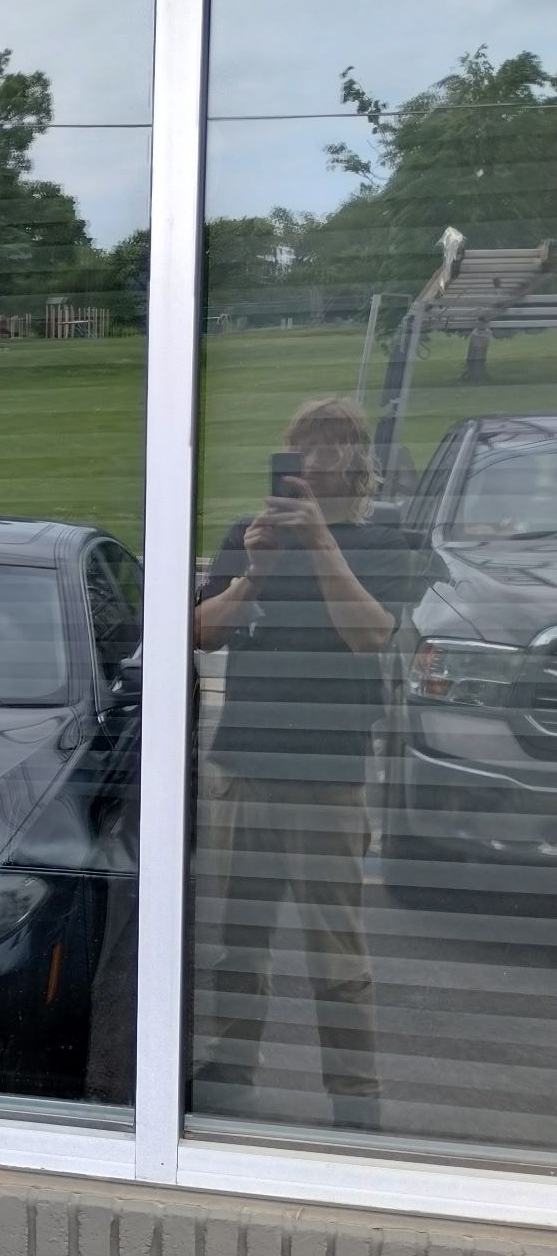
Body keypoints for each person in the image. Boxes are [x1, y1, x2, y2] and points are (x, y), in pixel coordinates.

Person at [193, 397, 408, 1130]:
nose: (314, 463)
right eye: (303, 449)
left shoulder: (384, 541)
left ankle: (356, 1096)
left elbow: (369, 635)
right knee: (238, 945)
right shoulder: (248, 536)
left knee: (335, 954)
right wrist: (253, 575)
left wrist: (320, 545)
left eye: (330, 449)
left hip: (329, 779)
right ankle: (229, 1071)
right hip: (244, 770)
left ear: (356, 461)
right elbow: (200, 633)